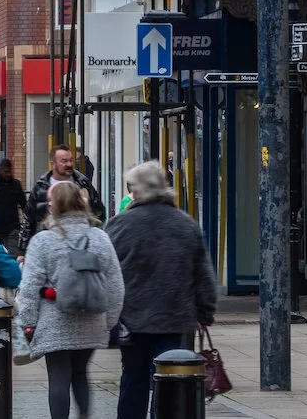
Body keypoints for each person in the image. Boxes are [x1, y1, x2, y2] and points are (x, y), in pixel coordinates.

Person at [105, 162, 216, 419]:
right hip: (173, 318)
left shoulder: (119, 226)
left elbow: (108, 274)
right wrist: (204, 311)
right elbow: (203, 274)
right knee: (169, 378)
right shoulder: (185, 225)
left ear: (136, 190)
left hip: (131, 319)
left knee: (133, 378)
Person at [17, 182, 126, 419]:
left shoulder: (43, 241)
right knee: (80, 373)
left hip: (54, 323)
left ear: (54, 206)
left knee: (58, 377)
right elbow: (116, 286)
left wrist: (27, 324)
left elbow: (29, 288)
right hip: (92, 321)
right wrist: (108, 322)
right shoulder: (100, 238)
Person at [28, 147, 105, 233]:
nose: (69, 164)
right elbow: (28, 219)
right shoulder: (40, 187)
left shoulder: (83, 183)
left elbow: (99, 212)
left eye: (71, 160)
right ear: (53, 164)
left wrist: (91, 233)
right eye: (64, 161)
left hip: (81, 240)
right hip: (49, 241)